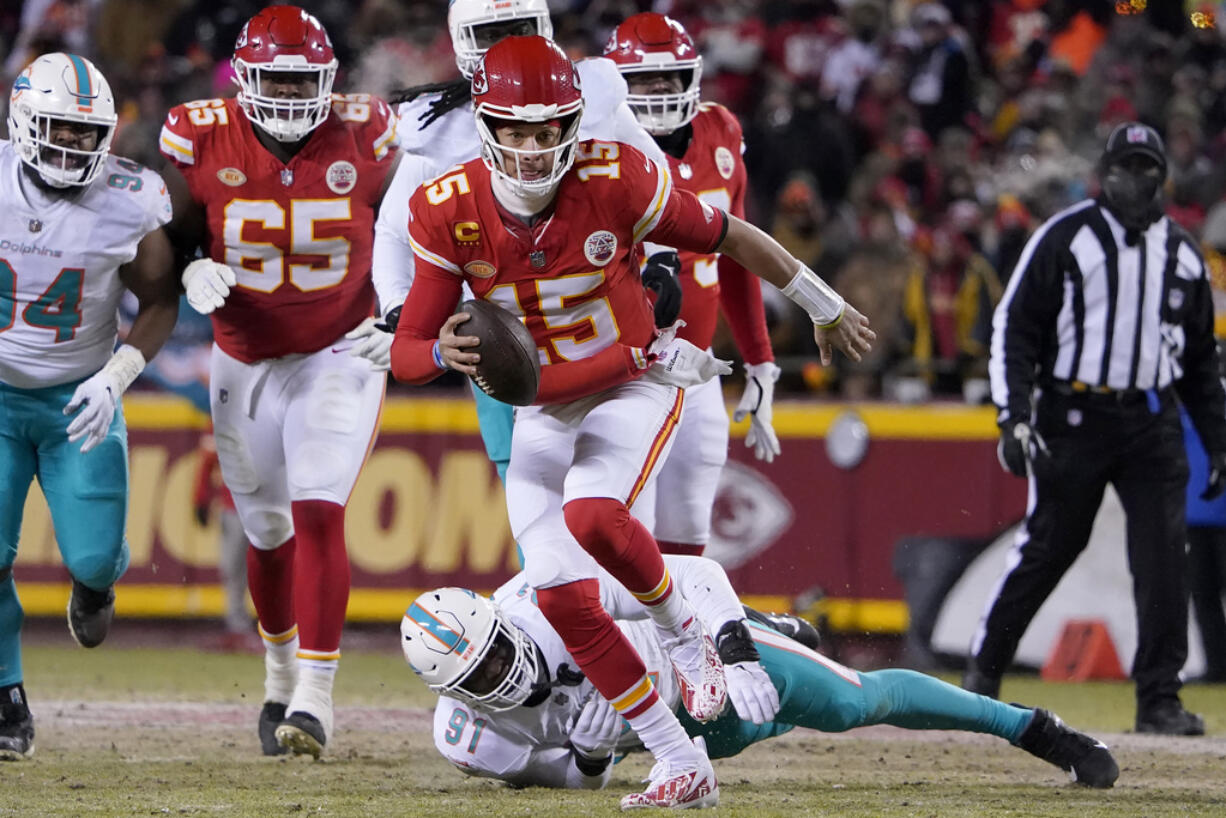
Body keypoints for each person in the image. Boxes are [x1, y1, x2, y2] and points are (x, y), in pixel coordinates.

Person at [389, 36, 874, 808]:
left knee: (591, 514)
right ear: (487, 126)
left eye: (548, 130)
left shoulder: (616, 178)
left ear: (573, 125)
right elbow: (407, 352)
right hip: (546, 399)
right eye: (514, 130)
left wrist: (824, 303)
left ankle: (686, 635)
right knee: (559, 596)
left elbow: (728, 235)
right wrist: (443, 350)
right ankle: (679, 760)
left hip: (637, 383)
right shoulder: (446, 207)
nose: (531, 147)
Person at [157, 5, 400, 759]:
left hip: (340, 350)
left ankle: (315, 700)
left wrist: (396, 312)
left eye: (305, 81)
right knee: (267, 533)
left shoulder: (369, 133)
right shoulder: (197, 133)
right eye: (277, 79)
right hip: (244, 354)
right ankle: (278, 673)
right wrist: (190, 260)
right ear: (243, 79)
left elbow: (412, 228)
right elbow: (166, 235)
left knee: (320, 509)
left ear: (331, 79)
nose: (293, 97)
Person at [400, 555, 1120, 792]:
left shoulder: (552, 593)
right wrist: (590, 756)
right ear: (449, 694)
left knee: (849, 705)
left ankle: (1030, 727)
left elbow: (694, 575)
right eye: (477, 676)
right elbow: (563, 781)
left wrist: (731, 646)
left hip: (690, 662)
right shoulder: (467, 738)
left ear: (500, 620)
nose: (499, 673)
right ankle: (776, 631)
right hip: (670, 737)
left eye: (495, 651)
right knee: (743, 733)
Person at [964, 123, 1226, 736]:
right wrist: (1014, 415)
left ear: (1163, 180)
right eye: (1122, 171)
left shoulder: (1183, 254)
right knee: (1050, 547)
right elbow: (1015, 328)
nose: (1133, 183)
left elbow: (1199, 363)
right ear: (1101, 177)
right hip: (1073, 414)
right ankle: (985, 671)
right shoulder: (1065, 238)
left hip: (1151, 419)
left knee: (1164, 558)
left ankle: (1159, 698)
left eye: (1145, 171)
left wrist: (1218, 441)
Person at [361, 0, 678, 487]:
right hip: (501, 327)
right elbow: (391, 230)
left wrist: (661, 261)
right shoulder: (444, 130)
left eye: (518, 28)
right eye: (492, 32)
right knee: (528, 480)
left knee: (616, 475)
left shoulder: (585, 100)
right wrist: (403, 308)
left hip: (596, 316)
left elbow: (659, 189)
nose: (506, 44)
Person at [0, 52, 180, 760]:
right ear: (21, 122)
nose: (74, 147)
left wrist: (118, 375)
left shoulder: (129, 198)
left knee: (96, 557)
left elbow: (161, 299)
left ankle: (97, 586)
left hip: (79, 400)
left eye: (86, 134)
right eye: (58, 130)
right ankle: (7, 694)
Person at [604, 12, 780, 560]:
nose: (657, 91)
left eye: (667, 78)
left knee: (687, 539)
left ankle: (681, 647)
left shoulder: (721, 130)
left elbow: (737, 255)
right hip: (621, 369)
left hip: (697, 370)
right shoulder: (597, 143)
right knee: (630, 538)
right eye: (642, 80)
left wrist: (760, 360)